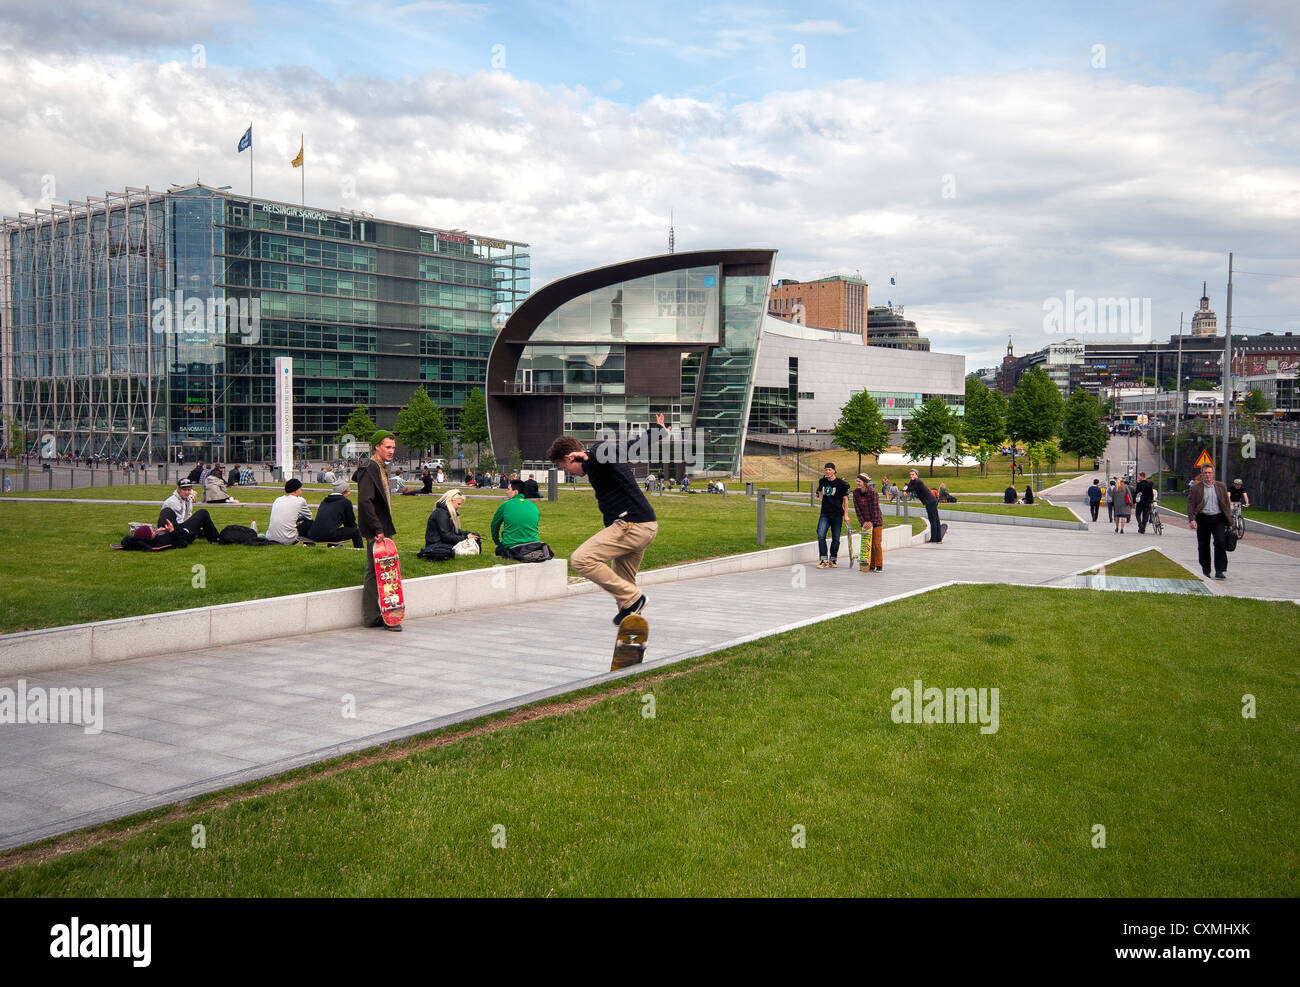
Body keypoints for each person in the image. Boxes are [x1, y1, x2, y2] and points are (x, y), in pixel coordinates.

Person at [548, 414, 667, 623]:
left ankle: (634, 598)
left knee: (581, 560)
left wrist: (589, 454)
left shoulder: (598, 456)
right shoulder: (606, 457)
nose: (567, 472)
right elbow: (634, 445)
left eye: (563, 466)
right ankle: (631, 623)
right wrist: (658, 432)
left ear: (569, 458)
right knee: (623, 581)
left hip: (631, 525)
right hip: (645, 525)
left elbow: (604, 450)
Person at [356, 430, 400, 631]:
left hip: (380, 527)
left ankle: (374, 616)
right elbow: (365, 501)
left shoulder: (379, 467)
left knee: (377, 572)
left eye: (393, 447)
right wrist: (377, 528)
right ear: (377, 447)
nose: (391, 451)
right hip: (377, 529)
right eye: (388, 447)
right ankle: (384, 616)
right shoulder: (370, 468)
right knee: (382, 572)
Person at [1187, 464, 1231, 579]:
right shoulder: (1196, 488)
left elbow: (1226, 504)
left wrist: (1228, 519)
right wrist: (1192, 519)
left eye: (1209, 472)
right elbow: (1191, 505)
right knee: (1203, 545)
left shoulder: (1221, 486)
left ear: (1213, 473)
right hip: (1203, 519)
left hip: (1218, 519)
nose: (1207, 475)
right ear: (1201, 474)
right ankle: (1206, 570)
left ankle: (1220, 570)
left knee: (1220, 542)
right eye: (1205, 473)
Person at [158, 479, 220, 543]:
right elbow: (177, 522)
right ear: (178, 490)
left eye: (189, 490)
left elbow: (188, 516)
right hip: (177, 533)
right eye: (184, 490)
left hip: (182, 528)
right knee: (203, 513)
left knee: (203, 525)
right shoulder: (172, 502)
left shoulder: (188, 500)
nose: (187, 492)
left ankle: (214, 536)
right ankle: (215, 538)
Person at [491, 479, 540, 556]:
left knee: (499, 550)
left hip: (511, 546)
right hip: (533, 545)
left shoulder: (505, 505)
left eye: (508, 489)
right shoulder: (534, 506)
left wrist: (497, 542)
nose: (506, 492)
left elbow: (494, 525)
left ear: (516, 492)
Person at [308, 479, 363, 548]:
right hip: (328, 535)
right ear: (344, 491)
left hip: (314, 534)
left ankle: (333, 545)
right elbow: (350, 523)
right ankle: (359, 550)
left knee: (333, 529)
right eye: (349, 491)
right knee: (356, 532)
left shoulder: (324, 501)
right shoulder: (345, 502)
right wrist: (353, 529)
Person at [815, 463, 850, 567]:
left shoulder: (840, 483)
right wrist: (821, 499)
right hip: (825, 513)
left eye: (830, 470)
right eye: (826, 470)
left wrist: (846, 515)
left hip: (837, 514)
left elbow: (845, 499)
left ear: (834, 470)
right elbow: (820, 490)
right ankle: (823, 560)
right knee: (821, 535)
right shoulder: (822, 481)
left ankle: (833, 559)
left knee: (836, 538)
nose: (827, 472)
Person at [851, 473, 884, 572]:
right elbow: (857, 509)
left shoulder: (872, 492)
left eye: (859, 481)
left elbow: (874, 509)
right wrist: (863, 522)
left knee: (876, 544)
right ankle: (870, 564)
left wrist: (872, 522)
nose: (857, 483)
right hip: (865, 522)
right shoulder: (855, 493)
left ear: (865, 483)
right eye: (857, 481)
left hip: (876, 521)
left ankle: (879, 565)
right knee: (867, 544)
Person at [267, 478, 314, 544]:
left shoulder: (277, 499)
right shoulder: (300, 500)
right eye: (300, 489)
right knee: (309, 523)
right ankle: (308, 543)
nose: (301, 491)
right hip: (287, 539)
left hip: (270, 537)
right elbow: (309, 517)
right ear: (295, 491)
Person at [906, 468, 944, 543]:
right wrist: (905, 491)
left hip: (931, 501)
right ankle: (937, 537)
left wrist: (906, 491)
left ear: (917, 475)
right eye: (910, 474)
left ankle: (935, 538)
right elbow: (909, 487)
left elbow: (912, 488)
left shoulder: (918, 481)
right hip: (930, 501)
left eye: (913, 474)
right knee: (935, 519)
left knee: (933, 519)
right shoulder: (913, 481)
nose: (911, 476)